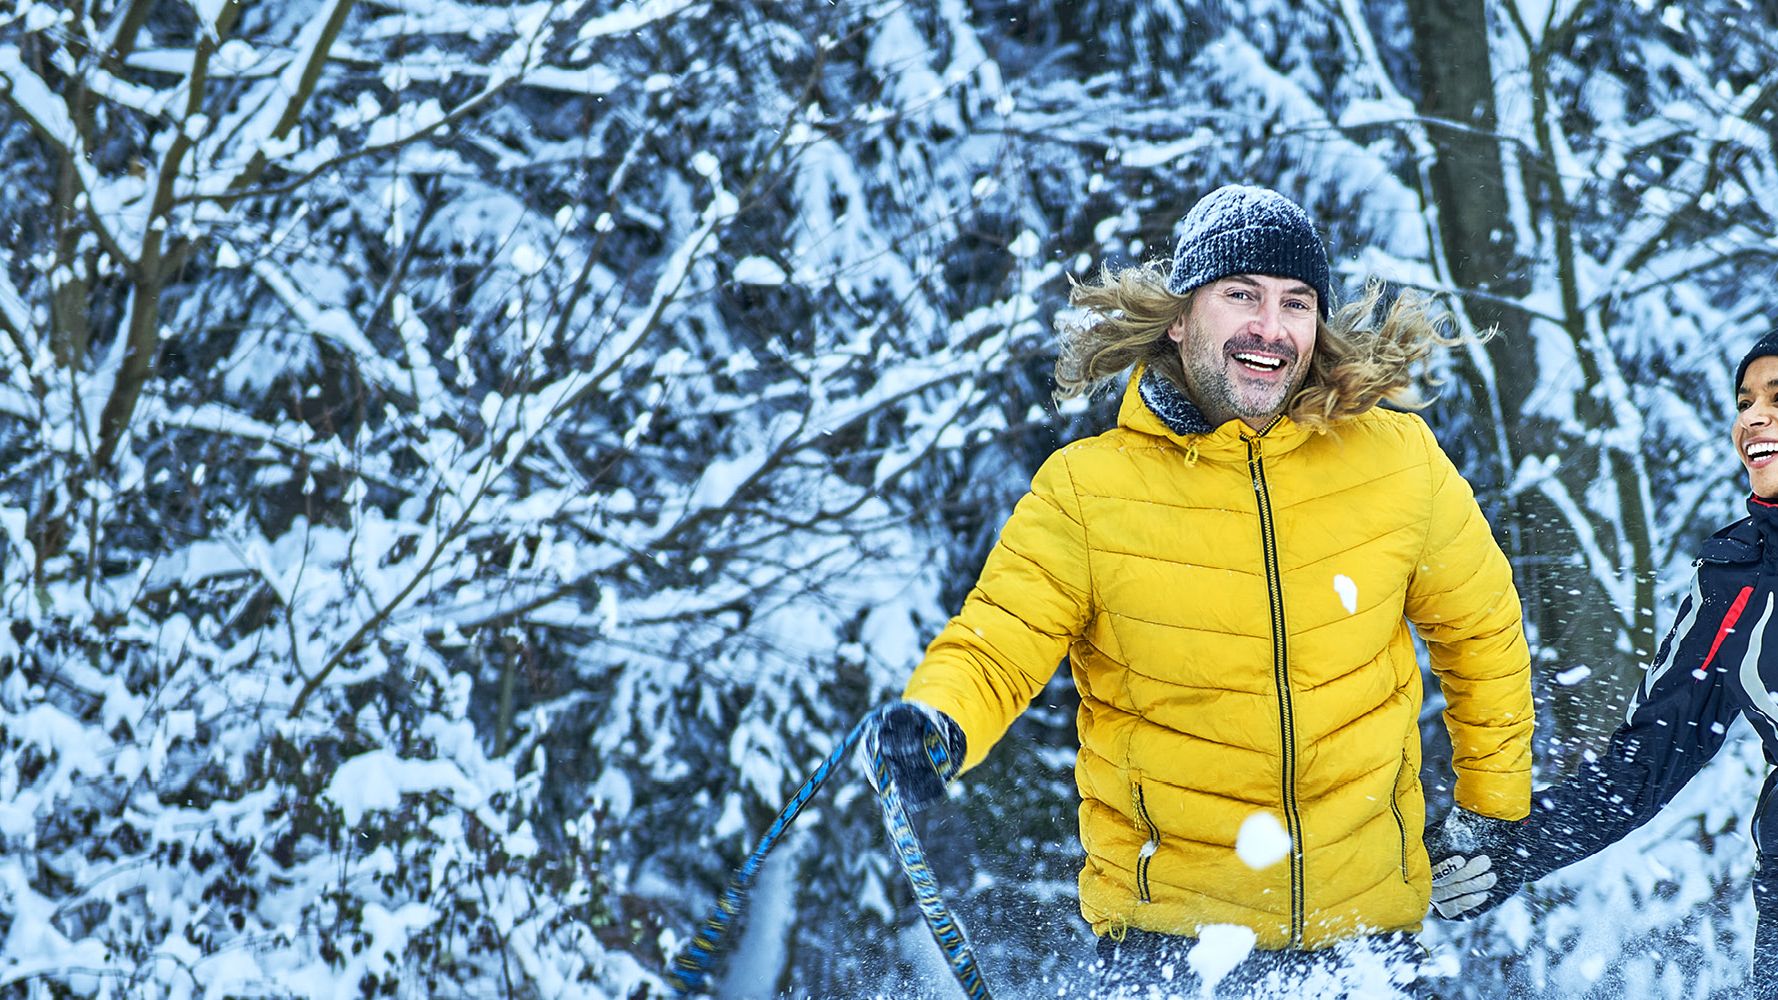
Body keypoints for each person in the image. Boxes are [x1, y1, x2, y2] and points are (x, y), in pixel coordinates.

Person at [861, 184, 1535, 994]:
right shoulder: (1089, 491)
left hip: (1367, 947)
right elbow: (998, 640)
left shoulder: (1398, 462)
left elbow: (1483, 631)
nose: (1270, 328)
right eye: (1240, 294)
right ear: (1180, 316)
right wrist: (939, 719)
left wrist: (1491, 814)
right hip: (1172, 954)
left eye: (1296, 302)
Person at [1426, 330, 1778, 999]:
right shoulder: (1737, 578)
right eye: (1746, 400)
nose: (1752, 417)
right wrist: (1509, 854)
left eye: (1777, 398)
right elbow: (1644, 764)